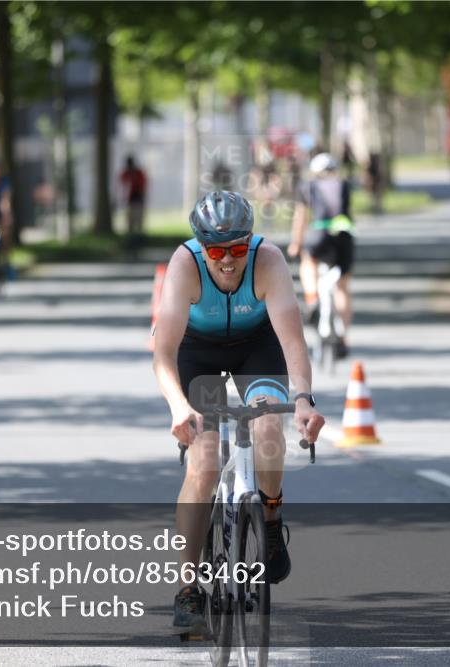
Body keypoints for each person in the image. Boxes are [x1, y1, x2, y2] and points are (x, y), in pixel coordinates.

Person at [152, 190, 325, 628]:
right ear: (200, 247)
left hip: (257, 348)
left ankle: (269, 516)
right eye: (215, 250)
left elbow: (292, 344)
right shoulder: (184, 265)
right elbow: (164, 351)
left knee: (269, 429)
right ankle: (189, 586)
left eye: (236, 249)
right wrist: (178, 407)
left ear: (249, 243)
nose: (227, 260)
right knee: (205, 463)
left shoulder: (268, 260)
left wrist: (302, 401)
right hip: (198, 352)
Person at [288, 152, 355, 358]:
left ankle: (311, 298)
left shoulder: (307, 186)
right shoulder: (344, 185)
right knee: (342, 287)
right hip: (343, 235)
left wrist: (296, 243)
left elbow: (301, 217)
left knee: (308, 261)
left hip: (318, 234)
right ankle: (344, 337)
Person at [119, 155, 148, 237]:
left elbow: (143, 186)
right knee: (130, 221)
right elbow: (122, 185)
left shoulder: (139, 173)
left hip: (138, 199)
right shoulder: (126, 174)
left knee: (138, 220)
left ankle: (139, 237)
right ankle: (131, 237)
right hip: (130, 200)